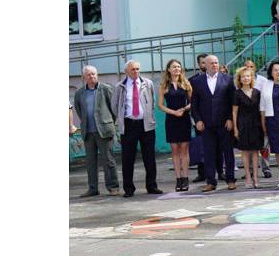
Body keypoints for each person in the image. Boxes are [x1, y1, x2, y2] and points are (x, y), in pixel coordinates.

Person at [115, 60, 163, 197]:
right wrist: (121, 119)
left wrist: (148, 116)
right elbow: (115, 105)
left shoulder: (147, 83)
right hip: (129, 124)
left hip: (146, 124)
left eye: (137, 69)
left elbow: (152, 102)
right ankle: (129, 189)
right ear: (126, 72)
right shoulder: (120, 86)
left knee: (149, 157)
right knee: (128, 158)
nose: (136, 72)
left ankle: (152, 185)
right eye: (133, 70)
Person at [191, 54, 237, 192]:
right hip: (206, 124)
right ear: (205, 64)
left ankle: (230, 180)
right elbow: (194, 104)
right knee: (208, 153)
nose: (215, 65)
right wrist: (197, 120)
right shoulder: (197, 81)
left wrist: (230, 118)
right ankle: (211, 181)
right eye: (212, 63)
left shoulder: (228, 79)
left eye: (216, 62)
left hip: (224, 123)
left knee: (228, 152)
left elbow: (232, 101)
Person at [73, 65, 120, 197]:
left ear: (97, 75)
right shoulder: (79, 93)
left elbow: (113, 109)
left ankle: (113, 187)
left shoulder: (106, 89)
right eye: (88, 75)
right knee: (90, 162)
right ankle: (93, 188)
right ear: (84, 77)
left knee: (108, 160)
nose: (92, 76)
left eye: (94, 74)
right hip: (88, 132)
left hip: (104, 131)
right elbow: (78, 110)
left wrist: (108, 122)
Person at [158, 59, 194, 192]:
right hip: (171, 119)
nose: (176, 69)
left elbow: (193, 101)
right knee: (174, 149)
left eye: (178, 67)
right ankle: (178, 179)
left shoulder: (186, 83)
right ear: (168, 69)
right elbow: (160, 105)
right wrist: (173, 112)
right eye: (174, 67)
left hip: (184, 118)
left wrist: (184, 109)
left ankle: (185, 178)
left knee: (184, 149)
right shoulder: (164, 85)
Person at [233, 66, 265, 189]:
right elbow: (234, 112)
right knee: (245, 152)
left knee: (256, 152)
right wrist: (235, 128)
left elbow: (261, 110)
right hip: (243, 125)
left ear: (252, 78)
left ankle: (256, 177)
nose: (246, 78)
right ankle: (247, 176)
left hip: (256, 124)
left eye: (248, 76)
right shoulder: (236, 93)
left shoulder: (257, 92)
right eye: (243, 76)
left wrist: (263, 125)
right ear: (239, 79)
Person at [243, 59, 274, 179]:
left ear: (255, 68)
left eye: (251, 66)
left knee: (265, 145)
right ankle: (250, 170)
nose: (249, 68)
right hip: (247, 118)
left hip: (262, 115)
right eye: (246, 66)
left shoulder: (263, 81)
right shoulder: (241, 81)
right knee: (250, 145)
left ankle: (266, 168)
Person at [189, 53, 217, 183]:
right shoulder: (194, 80)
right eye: (202, 63)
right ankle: (202, 173)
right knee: (202, 147)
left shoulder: (221, 78)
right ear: (200, 64)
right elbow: (193, 102)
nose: (204, 65)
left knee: (219, 147)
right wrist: (197, 119)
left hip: (217, 119)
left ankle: (220, 172)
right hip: (201, 120)